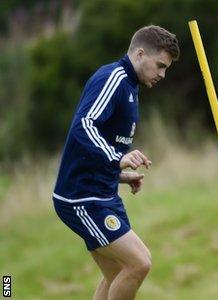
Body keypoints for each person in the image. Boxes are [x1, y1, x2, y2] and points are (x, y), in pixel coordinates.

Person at [52, 25, 179, 300]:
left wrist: (119, 173)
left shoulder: (130, 85)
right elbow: (83, 126)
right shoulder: (113, 78)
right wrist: (117, 158)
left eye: (166, 68)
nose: (162, 74)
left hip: (102, 192)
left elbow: (101, 142)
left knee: (116, 274)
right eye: (160, 65)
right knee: (139, 263)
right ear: (140, 53)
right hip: (82, 197)